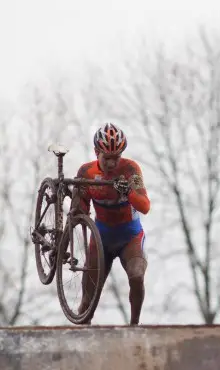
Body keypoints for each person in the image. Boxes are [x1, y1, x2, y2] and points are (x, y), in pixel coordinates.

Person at [72, 122, 150, 325]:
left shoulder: (131, 168)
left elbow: (145, 206)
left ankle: (134, 325)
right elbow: (79, 213)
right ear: (96, 152)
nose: (112, 164)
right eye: (107, 158)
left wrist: (129, 191)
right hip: (101, 239)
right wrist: (76, 195)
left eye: (116, 158)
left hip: (129, 236)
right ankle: (83, 328)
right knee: (88, 300)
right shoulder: (86, 172)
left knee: (136, 275)